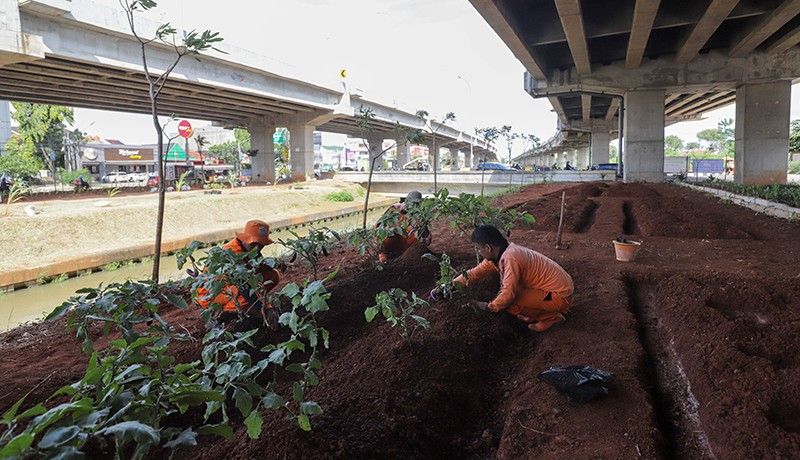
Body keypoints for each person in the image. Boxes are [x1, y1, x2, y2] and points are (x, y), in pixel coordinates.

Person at [435, 224, 574, 332]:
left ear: (488, 247)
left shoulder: (510, 258)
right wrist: (449, 286)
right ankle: (536, 313)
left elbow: (507, 294)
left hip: (557, 296)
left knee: (511, 302)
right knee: (514, 293)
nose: (478, 252)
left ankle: (552, 317)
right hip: (554, 290)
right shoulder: (503, 253)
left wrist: (488, 307)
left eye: (478, 249)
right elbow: (474, 274)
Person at [195, 220, 283, 328]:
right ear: (245, 239)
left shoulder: (247, 248)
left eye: (261, 245)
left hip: (228, 288)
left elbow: (259, 267)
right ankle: (222, 315)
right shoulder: (232, 253)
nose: (257, 248)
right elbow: (244, 287)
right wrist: (265, 308)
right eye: (254, 243)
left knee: (273, 275)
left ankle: (236, 308)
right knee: (245, 293)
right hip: (210, 296)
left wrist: (276, 263)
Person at [377, 190, 430, 263]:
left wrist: (423, 244)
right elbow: (379, 226)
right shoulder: (394, 209)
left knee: (417, 232)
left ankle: (403, 255)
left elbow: (426, 235)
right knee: (388, 231)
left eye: (417, 204)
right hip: (391, 240)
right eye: (412, 203)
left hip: (404, 245)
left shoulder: (419, 216)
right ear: (406, 201)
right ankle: (384, 255)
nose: (414, 206)